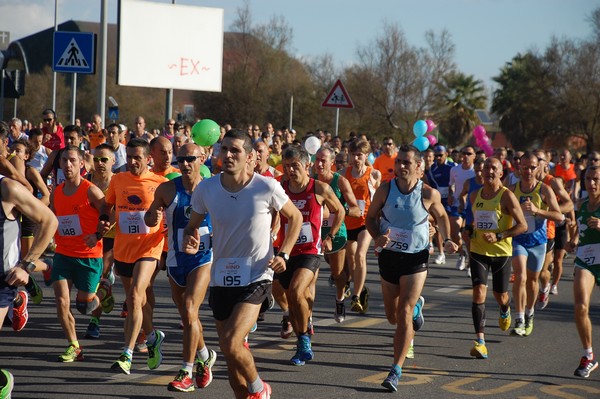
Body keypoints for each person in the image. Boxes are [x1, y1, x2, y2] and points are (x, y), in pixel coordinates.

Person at [182, 129, 302, 399]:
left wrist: (283, 254)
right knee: (230, 355)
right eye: (224, 149)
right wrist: (191, 237)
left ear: (250, 157)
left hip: (258, 275)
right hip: (221, 276)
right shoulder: (207, 188)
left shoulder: (265, 186)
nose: (228, 155)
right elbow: (193, 226)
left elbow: (294, 218)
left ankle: (260, 388)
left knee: (230, 341)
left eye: (235, 150)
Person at [366, 145, 458, 392]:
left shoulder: (428, 194)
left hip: (416, 258)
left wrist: (446, 239)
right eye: (399, 162)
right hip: (389, 256)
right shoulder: (385, 190)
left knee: (404, 312)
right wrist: (377, 237)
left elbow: (441, 217)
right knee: (392, 316)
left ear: (420, 167)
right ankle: (418, 307)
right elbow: (370, 218)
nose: (401, 166)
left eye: (407, 162)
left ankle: (395, 370)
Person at [145, 143, 216, 392]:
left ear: (202, 159)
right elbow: (149, 216)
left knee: (189, 308)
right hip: (176, 259)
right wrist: (152, 216)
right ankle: (205, 354)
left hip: (203, 258)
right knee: (188, 315)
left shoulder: (213, 189)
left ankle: (186, 371)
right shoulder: (167, 189)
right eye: (181, 159)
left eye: (190, 159)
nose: (185, 164)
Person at [103, 138, 167, 375]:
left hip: (149, 247)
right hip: (123, 249)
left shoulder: (160, 183)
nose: (131, 161)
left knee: (135, 295)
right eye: (129, 156)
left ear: (148, 158)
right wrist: (103, 223)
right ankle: (152, 336)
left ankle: (126, 354)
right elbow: (108, 207)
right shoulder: (117, 180)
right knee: (137, 301)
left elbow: (171, 214)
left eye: (137, 157)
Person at [278, 145, 345, 365]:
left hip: (311, 250)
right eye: (286, 166)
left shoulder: (320, 188)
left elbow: (340, 211)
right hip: (287, 250)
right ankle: (302, 340)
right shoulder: (280, 187)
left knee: (297, 291)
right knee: (292, 297)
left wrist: (330, 236)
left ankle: (304, 339)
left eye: (295, 166)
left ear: (307, 165)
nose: (290, 171)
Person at [50, 145, 109, 361]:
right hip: (63, 253)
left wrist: (97, 235)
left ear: (81, 163)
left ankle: (103, 292)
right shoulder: (56, 192)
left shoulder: (90, 190)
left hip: (89, 255)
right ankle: (74, 345)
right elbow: (52, 217)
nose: (67, 165)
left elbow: (107, 213)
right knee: (62, 301)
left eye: (72, 160)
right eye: (64, 160)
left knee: (85, 306)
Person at [467, 157, 526, 359]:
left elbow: (522, 225)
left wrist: (499, 235)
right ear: (481, 172)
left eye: (494, 168)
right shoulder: (474, 195)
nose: (489, 171)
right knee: (478, 294)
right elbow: (472, 221)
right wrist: (466, 230)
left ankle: (504, 308)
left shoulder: (507, 196)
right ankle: (480, 341)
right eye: (486, 168)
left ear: (501, 173)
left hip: (501, 252)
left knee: (500, 295)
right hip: (478, 251)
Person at [508, 153, 562, 336]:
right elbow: (501, 212)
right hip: (518, 239)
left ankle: (530, 314)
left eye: (532, 167)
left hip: (538, 241)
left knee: (532, 280)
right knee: (520, 276)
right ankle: (519, 318)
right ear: (519, 168)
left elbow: (559, 215)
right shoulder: (511, 190)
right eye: (524, 167)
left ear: (538, 168)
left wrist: (538, 210)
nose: (528, 171)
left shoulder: (544, 190)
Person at [0, 162, 57, 333]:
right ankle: (17, 301)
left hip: (2, 279)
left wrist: (26, 265)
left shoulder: (8, 189)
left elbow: (49, 221)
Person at [314, 147, 360, 322]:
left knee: (337, 273)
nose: (319, 163)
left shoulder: (340, 181)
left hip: (336, 233)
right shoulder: (311, 181)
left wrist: (338, 210)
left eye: (323, 160)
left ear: (332, 163)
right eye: (317, 159)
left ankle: (340, 299)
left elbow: (356, 210)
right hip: (315, 232)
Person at [566, 165, 600, 378]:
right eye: (588, 179)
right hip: (587, 260)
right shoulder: (582, 204)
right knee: (580, 306)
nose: (592, 183)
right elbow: (580, 229)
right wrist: (573, 241)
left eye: (596, 179)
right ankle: (588, 355)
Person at [342, 139, 381, 313]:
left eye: (360, 155)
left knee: (360, 255)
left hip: (366, 222)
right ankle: (361, 287)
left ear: (366, 156)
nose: (356, 158)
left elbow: (380, 199)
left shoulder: (374, 174)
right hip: (349, 222)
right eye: (353, 155)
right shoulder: (344, 173)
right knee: (351, 259)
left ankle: (356, 296)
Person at [84, 144, 118, 339]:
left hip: (113, 237)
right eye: (96, 159)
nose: (99, 163)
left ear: (113, 161)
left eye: (104, 159)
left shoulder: (118, 182)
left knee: (99, 274)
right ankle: (106, 291)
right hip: (90, 236)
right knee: (93, 279)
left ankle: (94, 322)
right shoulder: (86, 181)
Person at [424, 145, 455, 265]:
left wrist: (453, 194)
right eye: (436, 156)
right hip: (439, 201)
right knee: (437, 223)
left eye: (440, 155)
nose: (438, 158)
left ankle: (461, 251)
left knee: (454, 228)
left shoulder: (453, 167)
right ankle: (441, 253)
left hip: (452, 200)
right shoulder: (432, 169)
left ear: (446, 154)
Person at [448, 146, 476, 271]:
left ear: (474, 156)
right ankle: (461, 254)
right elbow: (451, 185)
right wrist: (450, 194)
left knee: (468, 236)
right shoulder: (454, 169)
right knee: (454, 232)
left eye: (469, 153)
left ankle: (471, 261)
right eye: (463, 153)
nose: (465, 156)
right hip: (456, 205)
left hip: (472, 207)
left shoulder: (477, 171)